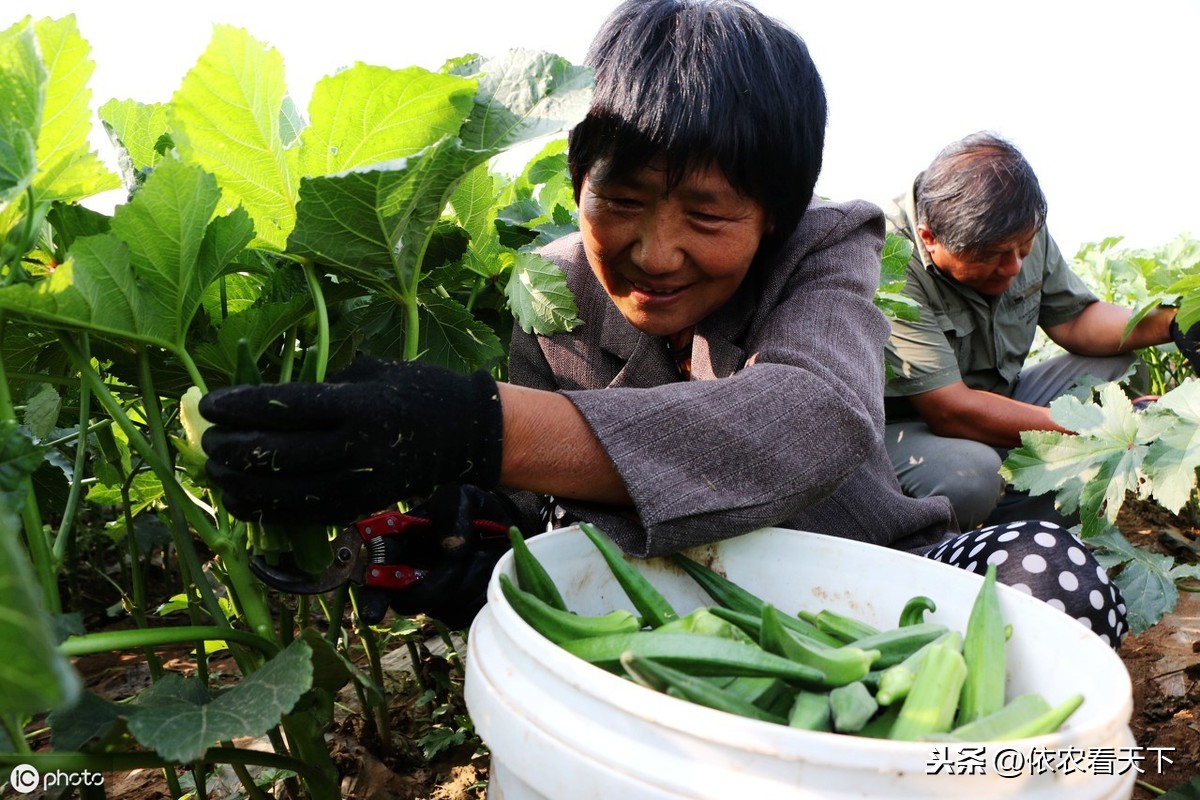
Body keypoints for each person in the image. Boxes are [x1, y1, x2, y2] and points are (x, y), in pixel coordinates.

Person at [199, 1, 1127, 645]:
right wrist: (452, 525)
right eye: (623, 199)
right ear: (579, 183)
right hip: (667, 605)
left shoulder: (826, 246)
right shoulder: (554, 286)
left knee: (1055, 580)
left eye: (709, 216)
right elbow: (534, 506)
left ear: (774, 212)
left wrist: (475, 425)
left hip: (874, 579)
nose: (654, 250)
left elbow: (815, 416)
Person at [883, 131, 1199, 532]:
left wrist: (1174, 322)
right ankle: (949, 545)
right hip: (909, 427)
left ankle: (1020, 530)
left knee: (1114, 367)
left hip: (1001, 400)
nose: (1014, 268)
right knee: (973, 477)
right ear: (930, 239)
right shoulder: (890, 259)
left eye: (1024, 249)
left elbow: (1074, 320)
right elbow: (950, 410)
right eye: (994, 257)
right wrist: (1100, 428)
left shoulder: (1015, 224)